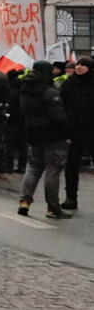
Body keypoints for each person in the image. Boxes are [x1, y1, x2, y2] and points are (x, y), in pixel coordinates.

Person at [16, 61, 74, 219]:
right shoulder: (49, 91)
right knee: (52, 170)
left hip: (32, 132)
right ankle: (53, 207)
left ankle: (24, 201)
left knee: (33, 168)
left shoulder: (25, 88)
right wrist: (65, 135)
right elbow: (58, 116)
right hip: (51, 134)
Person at [59, 56, 93, 210]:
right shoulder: (69, 84)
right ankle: (71, 197)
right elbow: (62, 107)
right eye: (78, 64)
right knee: (72, 165)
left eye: (83, 65)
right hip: (74, 130)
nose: (79, 67)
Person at [5, 69, 28, 174]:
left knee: (10, 144)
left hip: (12, 120)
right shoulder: (24, 88)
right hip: (24, 119)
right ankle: (22, 166)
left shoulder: (10, 90)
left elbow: (10, 106)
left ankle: (9, 166)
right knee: (23, 144)